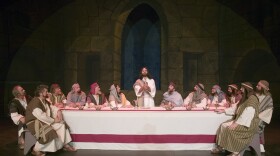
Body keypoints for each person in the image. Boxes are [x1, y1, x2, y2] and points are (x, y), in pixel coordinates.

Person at [25, 85, 76, 156]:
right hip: (34, 122)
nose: (47, 92)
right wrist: (54, 120)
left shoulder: (44, 101)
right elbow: (40, 115)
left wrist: (58, 111)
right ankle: (35, 150)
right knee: (49, 132)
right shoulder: (35, 101)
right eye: (46, 91)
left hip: (44, 120)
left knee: (61, 124)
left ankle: (64, 145)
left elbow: (52, 107)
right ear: (40, 93)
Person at [211, 82, 260, 156]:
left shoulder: (252, 99)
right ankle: (221, 147)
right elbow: (236, 108)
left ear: (246, 89)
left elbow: (248, 114)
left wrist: (236, 123)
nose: (240, 89)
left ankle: (236, 152)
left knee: (230, 129)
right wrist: (224, 110)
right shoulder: (245, 97)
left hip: (248, 123)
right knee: (223, 125)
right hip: (240, 120)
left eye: (242, 88)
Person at [9, 85, 32, 149]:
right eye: (22, 90)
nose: (24, 90)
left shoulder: (28, 97)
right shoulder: (14, 103)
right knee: (22, 123)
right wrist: (21, 118)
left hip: (32, 116)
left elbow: (35, 104)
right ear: (18, 93)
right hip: (24, 118)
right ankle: (22, 141)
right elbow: (14, 114)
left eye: (23, 89)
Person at [256, 80, 273, 151]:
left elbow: (265, 108)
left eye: (258, 85)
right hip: (256, 115)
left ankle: (260, 144)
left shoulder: (267, 97)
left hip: (261, 116)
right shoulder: (258, 94)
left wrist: (256, 115)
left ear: (263, 87)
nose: (256, 86)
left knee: (257, 127)